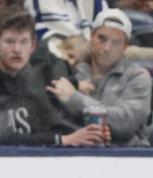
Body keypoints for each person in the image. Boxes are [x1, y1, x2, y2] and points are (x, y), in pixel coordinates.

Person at [0, 6, 108, 145]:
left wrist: (91, 134)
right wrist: (62, 140)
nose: (17, 50)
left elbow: (54, 126)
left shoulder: (37, 79)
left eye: (24, 42)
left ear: (33, 46)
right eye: (10, 41)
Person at [46, 8, 151, 145]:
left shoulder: (137, 76)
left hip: (127, 158)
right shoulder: (71, 70)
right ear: (92, 36)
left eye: (116, 42)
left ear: (125, 46)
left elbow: (125, 123)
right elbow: (52, 121)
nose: (107, 47)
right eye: (102, 38)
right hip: (74, 155)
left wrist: (75, 99)